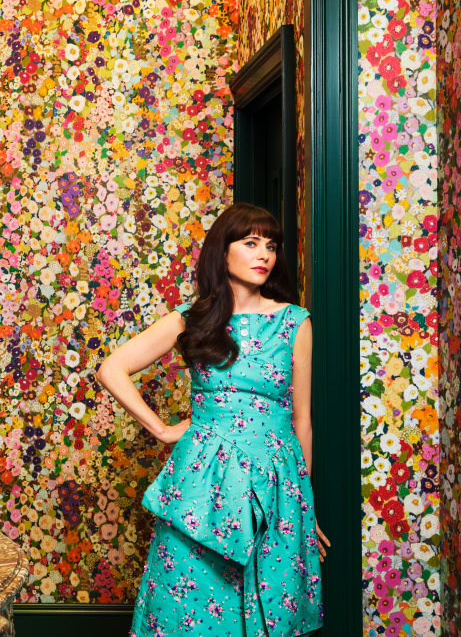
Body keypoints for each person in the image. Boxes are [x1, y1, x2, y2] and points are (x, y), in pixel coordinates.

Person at [97, 203, 329, 636]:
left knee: (272, 606)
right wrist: (161, 430)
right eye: (251, 243)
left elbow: (302, 420)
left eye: (271, 246)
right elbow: (112, 368)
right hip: (203, 485)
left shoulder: (294, 322)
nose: (264, 255)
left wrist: (302, 504)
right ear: (222, 252)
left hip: (276, 482)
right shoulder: (192, 319)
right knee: (188, 605)